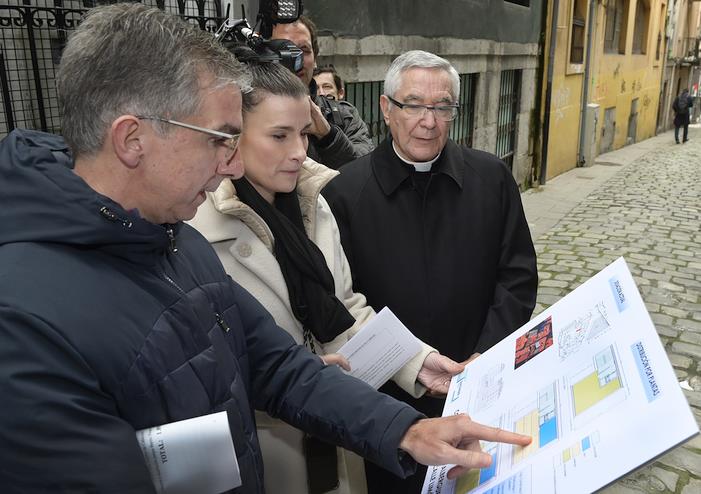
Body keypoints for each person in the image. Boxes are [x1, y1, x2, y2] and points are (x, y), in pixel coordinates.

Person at [0, 5, 531, 494]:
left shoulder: (176, 243)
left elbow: (279, 368)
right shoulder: (22, 321)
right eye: (219, 139)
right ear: (132, 139)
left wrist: (409, 429)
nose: (231, 166)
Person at [189, 56, 465, 494]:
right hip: (266, 448)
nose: (299, 151)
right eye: (279, 136)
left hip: (337, 437)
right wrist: (300, 376)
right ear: (232, 137)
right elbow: (202, 369)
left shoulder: (314, 204)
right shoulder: (196, 230)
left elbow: (345, 309)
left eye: (302, 133)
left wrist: (418, 362)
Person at [322, 50, 539, 493]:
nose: (429, 120)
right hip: (393, 402)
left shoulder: (491, 178)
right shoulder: (345, 193)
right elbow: (342, 303)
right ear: (386, 109)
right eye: (414, 104)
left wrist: (487, 355)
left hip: (480, 386)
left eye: (442, 107)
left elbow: (517, 276)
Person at [272, 15, 374, 168]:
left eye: (304, 50)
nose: (296, 59)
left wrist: (328, 137)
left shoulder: (345, 117)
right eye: (284, 49)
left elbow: (364, 173)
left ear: (315, 59)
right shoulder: (244, 115)